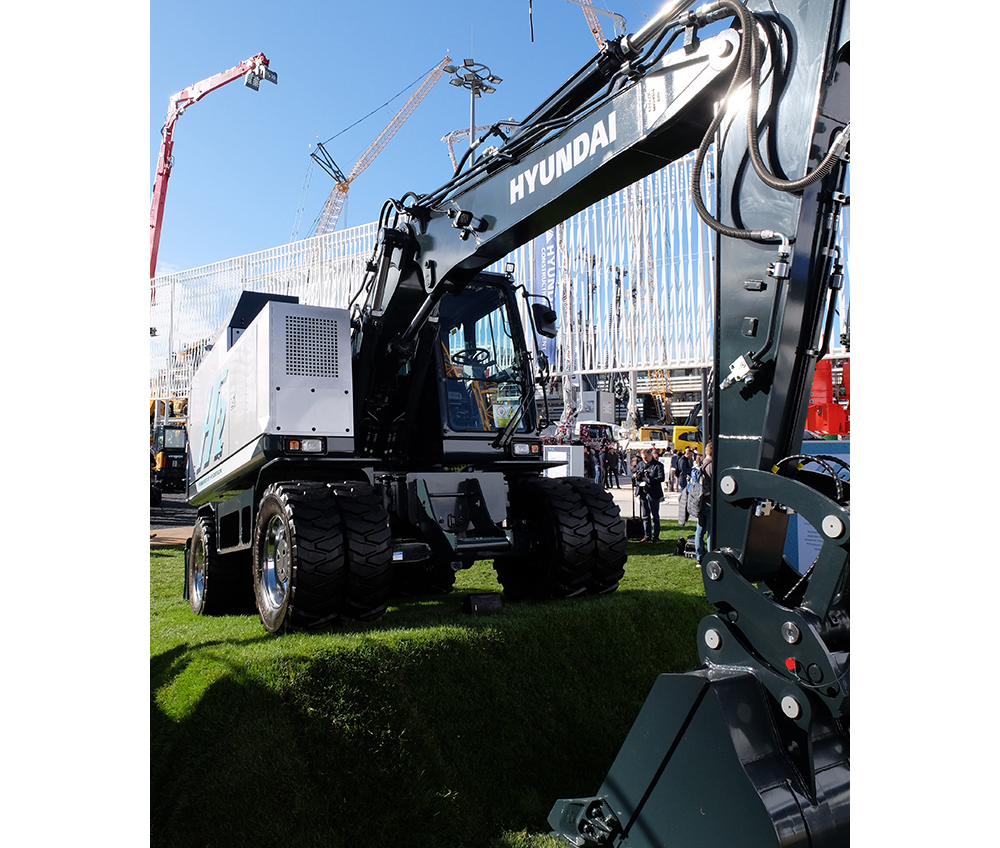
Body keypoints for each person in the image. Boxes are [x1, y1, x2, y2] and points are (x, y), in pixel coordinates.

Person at [635, 447, 665, 544]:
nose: (645, 460)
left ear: (650, 455)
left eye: (646, 458)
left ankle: (655, 537)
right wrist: (636, 476)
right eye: (643, 458)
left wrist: (648, 480)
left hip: (653, 492)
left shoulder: (658, 465)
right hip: (643, 492)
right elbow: (633, 471)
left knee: (655, 516)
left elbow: (661, 478)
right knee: (645, 515)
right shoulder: (640, 464)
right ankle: (647, 535)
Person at [694, 442, 713, 564]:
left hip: (700, 501)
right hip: (709, 502)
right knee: (711, 531)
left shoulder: (700, 464)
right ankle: (711, 554)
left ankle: (699, 556)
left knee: (700, 530)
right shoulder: (711, 466)